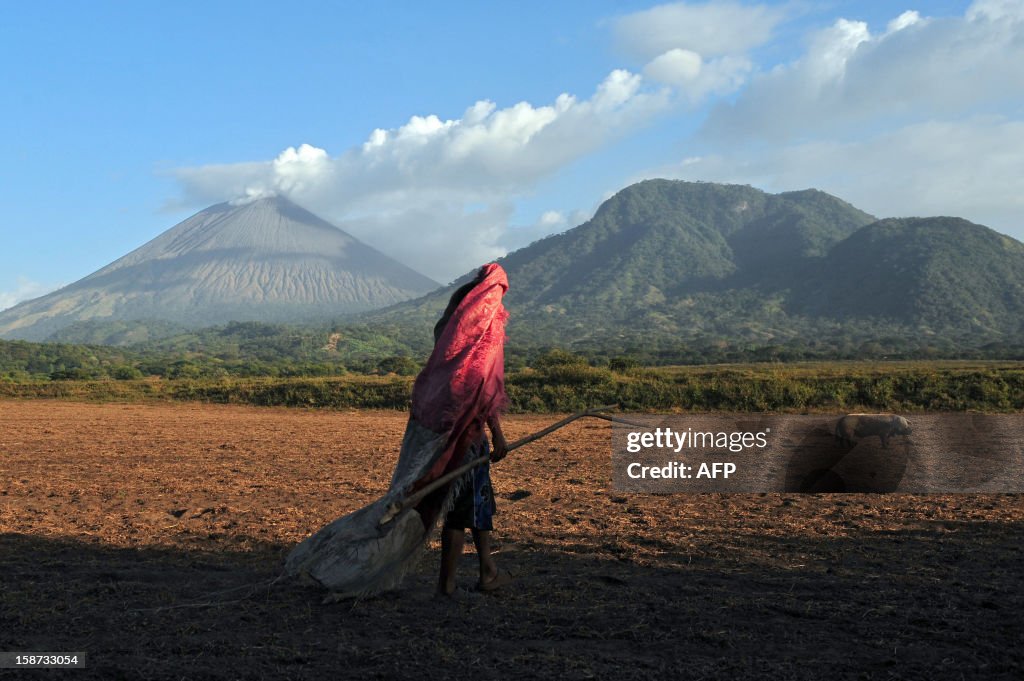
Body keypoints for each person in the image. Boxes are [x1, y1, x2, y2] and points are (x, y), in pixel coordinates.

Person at [418, 264, 513, 596]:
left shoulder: (446, 339)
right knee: (462, 510)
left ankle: (488, 570)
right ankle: (450, 583)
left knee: (478, 503)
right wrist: (498, 434)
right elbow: (480, 394)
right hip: (467, 441)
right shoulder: (474, 349)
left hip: (443, 439)